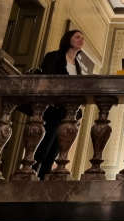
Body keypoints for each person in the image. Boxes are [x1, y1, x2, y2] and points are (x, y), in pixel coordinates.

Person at [32, 29, 86, 179]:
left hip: (67, 114)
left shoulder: (77, 65)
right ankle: (31, 175)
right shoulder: (54, 56)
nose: (81, 40)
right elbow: (47, 80)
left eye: (82, 38)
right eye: (77, 37)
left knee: (56, 150)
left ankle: (43, 179)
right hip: (52, 110)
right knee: (44, 146)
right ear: (68, 39)